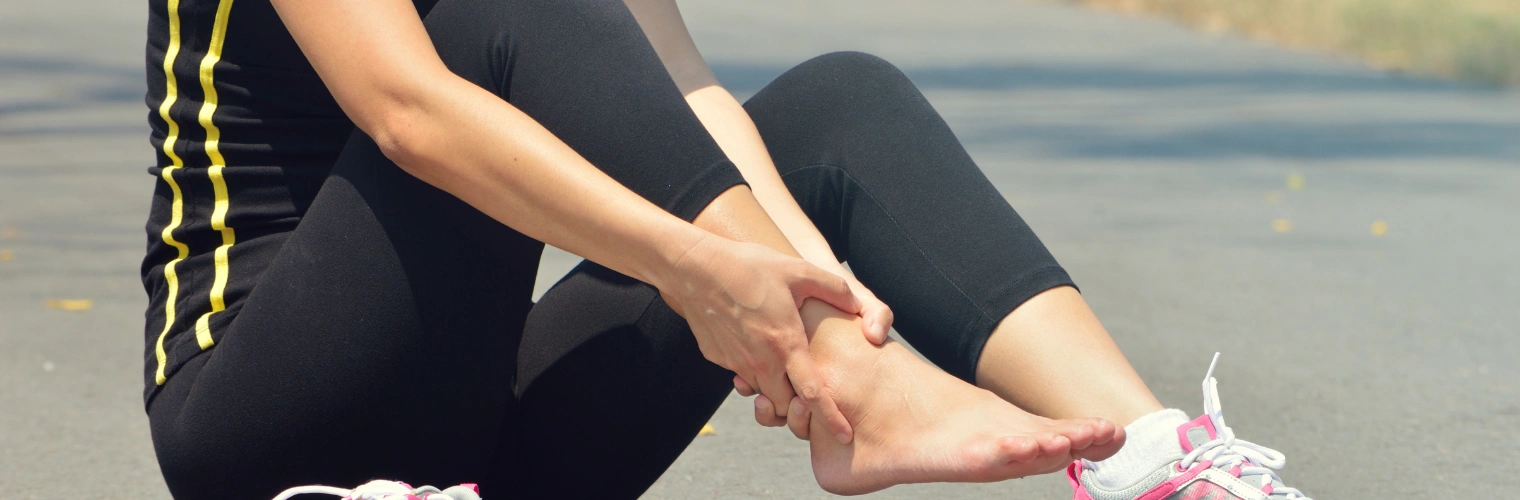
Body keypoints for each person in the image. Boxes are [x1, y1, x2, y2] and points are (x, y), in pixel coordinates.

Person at [139, 0, 1310, 498]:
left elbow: (688, 108)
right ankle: (867, 386)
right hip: (270, 414)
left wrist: (824, 310)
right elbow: (405, 108)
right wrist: (693, 272)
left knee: (835, 110)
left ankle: (1158, 461)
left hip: (481, 444)